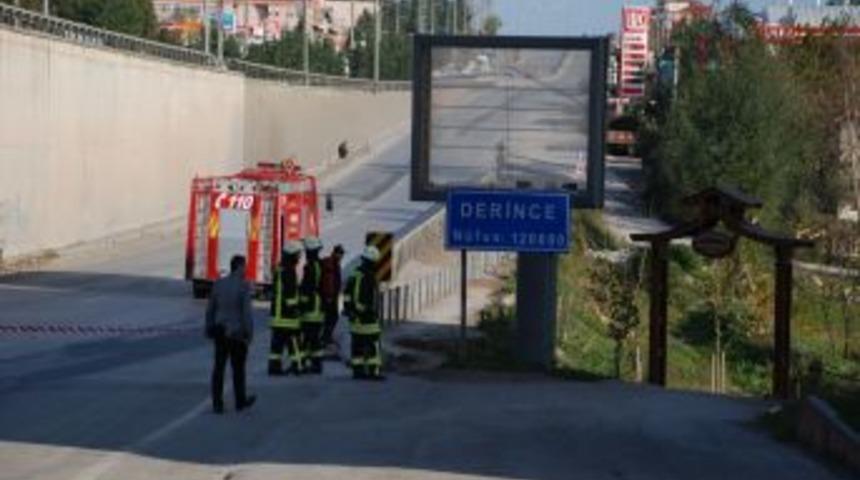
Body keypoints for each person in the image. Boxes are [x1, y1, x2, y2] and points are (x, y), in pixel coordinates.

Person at [205, 255, 256, 413]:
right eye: (244, 266)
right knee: (238, 369)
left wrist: (209, 327)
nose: (245, 270)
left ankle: (217, 403)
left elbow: (210, 309)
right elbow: (246, 313)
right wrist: (249, 333)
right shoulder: (243, 286)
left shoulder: (219, 284)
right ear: (239, 267)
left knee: (219, 368)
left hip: (220, 331)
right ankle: (240, 401)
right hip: (236, 334)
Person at [344, 246, 385, 381]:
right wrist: (369, 311)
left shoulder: (354, 274)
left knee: (357, 345)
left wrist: (350, 309)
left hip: (355, 319)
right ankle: (374, 372)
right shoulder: (369, 276)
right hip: (367, 317)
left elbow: (347, 295)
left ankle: (358, 371)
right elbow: (370, 299)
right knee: (373, 345)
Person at [268, 241, 305, 376]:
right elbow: (290, 296)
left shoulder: (279, 269)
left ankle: (274, 367)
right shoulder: (289, 271)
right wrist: (298, 308)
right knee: (294, 342)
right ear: (292, 255)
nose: (299, 258)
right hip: (287, 317)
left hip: (276, 316)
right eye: (298, 255)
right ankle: (298, 366)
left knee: (276, 345)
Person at [300, 236, 325, 374]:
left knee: (309, 337)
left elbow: (307, 287)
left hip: (312, 308)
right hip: (317, 306)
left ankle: (308, 363)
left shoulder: (311, 266)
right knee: (313, 338)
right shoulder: (318, 264)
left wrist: (301, 303)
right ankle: (314, 363)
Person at [320, 244, 345, 349]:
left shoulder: (335, 263)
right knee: (331, 316)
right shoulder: (331, 263)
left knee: (331, 317)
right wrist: (329, 295)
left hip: (332, 295)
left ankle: (326, 336)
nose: (341, 256)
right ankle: (325, 337)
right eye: (340, 253)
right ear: (335, 253)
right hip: (329, 296)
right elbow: (329, 281)